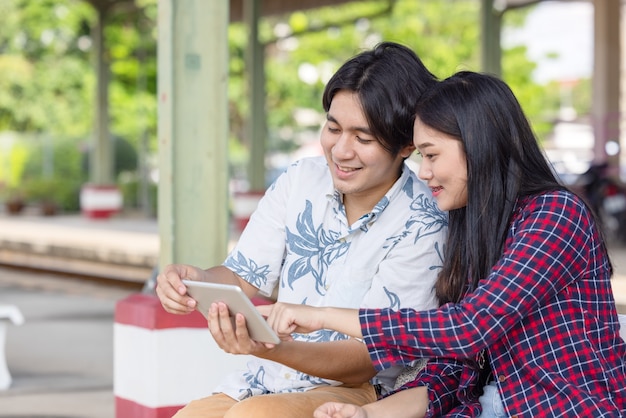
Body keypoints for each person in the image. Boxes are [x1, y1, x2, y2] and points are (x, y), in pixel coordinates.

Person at [259, 71, 626, 417]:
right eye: (421, 156)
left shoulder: (556, 215)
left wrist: (321, 315)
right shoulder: (469, 229)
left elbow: (467, 328)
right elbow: (451, 370)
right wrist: (366, 413)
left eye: (432, 155)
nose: (424, 172)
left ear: (479, 146)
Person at [155, 41, 448, 418]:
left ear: (406, 144)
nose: (341, 151)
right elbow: (243, 277)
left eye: (363, 138)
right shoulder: (300, 179)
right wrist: (194, 278)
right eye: (333, 128)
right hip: (269, 377)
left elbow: (366, 360)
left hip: (366, 392)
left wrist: (272, 346)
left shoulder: (424, 221)